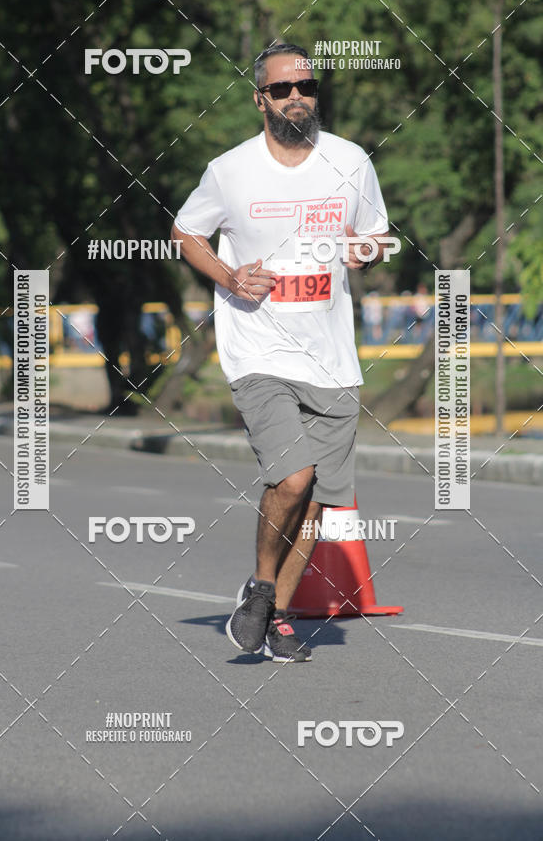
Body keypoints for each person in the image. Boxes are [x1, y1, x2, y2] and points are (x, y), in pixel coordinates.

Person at [171, 43, 391, 663]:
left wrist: (367, 251)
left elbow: (378, 236)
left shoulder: (350, 160)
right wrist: (229, 276)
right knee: (292, 477)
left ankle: (278, 617)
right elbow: (186, 232)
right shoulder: (230, 170)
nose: (297, 97)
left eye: (306, 87)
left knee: (318, 497)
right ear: (259, 99)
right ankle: (262, 588)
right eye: (282, 89)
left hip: (332, 357)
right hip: (258, 349)